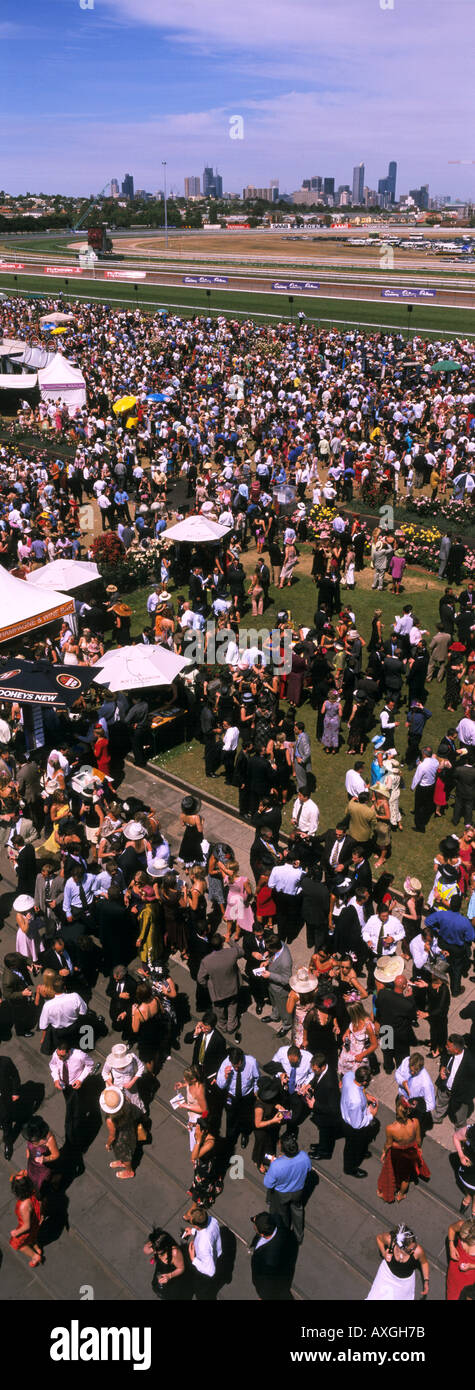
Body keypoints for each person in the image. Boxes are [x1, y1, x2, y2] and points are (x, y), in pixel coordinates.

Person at [377, 1095, 431, 1203]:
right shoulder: (415, 1122)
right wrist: (419, 1148)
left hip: (397, 1153)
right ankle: (400, 1194)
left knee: (392, 1172)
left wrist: (384, 1152)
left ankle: (389, 1193)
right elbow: (418, 1139)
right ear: (409, 1111)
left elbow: (388, 1144)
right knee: (406, 1177)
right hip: (410, 1152)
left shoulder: (390, 1128)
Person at [263, 1132, 312, 1245]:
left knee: (283, 1214)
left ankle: (284, 1235)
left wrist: (273, 1163)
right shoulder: (304, 1156)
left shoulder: (276, 1165)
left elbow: (268, 1184)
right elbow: (308, 1169)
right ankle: (299, 1237)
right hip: (298, 1191)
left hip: (282, 1194)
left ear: (283, 1150)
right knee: (298, 1211)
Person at [197, 934, 245, 1041]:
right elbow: (241, 951)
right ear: (222, 943)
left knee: (219, 1011)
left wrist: (208, 985)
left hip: (217, 993)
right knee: (232, 1008)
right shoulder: (231, 953)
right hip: (233, 989)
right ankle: (231, 1026)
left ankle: (223, 1027)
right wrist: (230, 941)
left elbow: (200, 979)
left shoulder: (206, 961)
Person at [366, 1225, 429, 1301]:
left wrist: (426, 1280)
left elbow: (424, 1263)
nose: (413, 1250)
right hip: (386, 1275)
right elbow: (379, 1238)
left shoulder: (418, 1251)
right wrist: (384, 1253)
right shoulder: (390, 1240)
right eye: (409, 1250)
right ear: (400, 1247)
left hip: (404, 1283)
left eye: (414, 1246)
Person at [216, 1046, 260, 1149]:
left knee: (246, 1117)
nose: (236, 1068)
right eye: (234, 1066)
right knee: (231, 1118)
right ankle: (230, 1139)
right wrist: (225, 1077)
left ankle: (245, 1134)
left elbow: (257, 1078)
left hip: (247, 1096)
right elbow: (220, 1084)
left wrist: (255, 1091)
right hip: (231, 1096)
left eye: (238, 1066)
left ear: (242, 1059)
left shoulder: (251, 1062)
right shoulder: (225, 1064)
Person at [340, 1064, 379, 1178]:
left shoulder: (349, 1076)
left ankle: (361, 1151)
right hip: (352, 1126)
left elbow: (353, 1087)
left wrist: (365, 1095)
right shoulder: (356, 1100)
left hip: (346, 1114)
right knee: (351, 1147)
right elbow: (357, 1124)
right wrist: (371, 1115)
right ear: (365, 1082)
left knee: (359, 1142)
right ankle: (349, 1168)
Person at [249, 1212, 294, 1300]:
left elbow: (266, 1283)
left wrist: (263, 1296)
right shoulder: (278, 1226)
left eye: (255, 1226)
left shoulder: (268, 1259)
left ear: (262, 1234)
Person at [306, 1052, 343, 1160]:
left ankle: (324, 1152)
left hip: (327, 1116)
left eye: (315, 1069)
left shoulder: (330, 1084)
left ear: (322, 1067)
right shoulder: (327, 1069)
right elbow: (318, 1078)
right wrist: (311, 1084)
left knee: (326, 1133)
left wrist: (315, 1105)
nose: (314, 1071)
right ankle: (322, 1145)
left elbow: (333, 1109)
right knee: (323, 1134)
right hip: (323, 1109)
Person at [181, 1203, 222, 1301]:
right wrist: (193, 1231)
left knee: (202, 1294)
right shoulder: (212, 1220)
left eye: (191, 1222)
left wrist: (193, 1259)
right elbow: (207, 1231)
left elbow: (210, 1271)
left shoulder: (203, 1245)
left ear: (196, 1225)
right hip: (217, 1253)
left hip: (204, 1274)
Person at [433, 1035, 475, 1126]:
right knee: (440, 1103)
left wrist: (466, 1097)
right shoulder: (449, 1051)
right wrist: (442, 1067)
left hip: (460, 1095)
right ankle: (437, 1118)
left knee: (460, 1114)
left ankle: (460, 1129)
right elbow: (444, 1056)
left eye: (448, 1046)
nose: (446, 1047)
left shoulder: (470, 1062)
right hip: (445, 1087)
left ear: (456, 1050)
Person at [144, 1227, 190, 1300]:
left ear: (165, 1247)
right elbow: (146, 1250)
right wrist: (150, 1246)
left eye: (157, 1251)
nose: (154, 1252)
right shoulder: (157, 1243)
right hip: (161, 1271)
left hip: (172, 1278)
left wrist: (169, 1276)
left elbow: (181, 1268)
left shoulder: (175, 1253)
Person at [100, 1086, 136, 1180]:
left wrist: (108, 1144)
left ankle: (129, 1171)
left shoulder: (110, 1120)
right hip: (129, 1130)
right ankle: (122, 1162)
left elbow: (112, 1136)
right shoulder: (126, 1102)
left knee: (125, 1156)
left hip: (121, 1140)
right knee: (128, 1150)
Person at [9, 1172, 43, 1267]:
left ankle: (35, 1256)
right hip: (35, 1220)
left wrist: (16, 1232)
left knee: (19, 1245)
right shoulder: (33, 1192)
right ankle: (36, 1247)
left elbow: (26, 1226)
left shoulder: (24, 1206)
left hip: (28, 1227)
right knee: (33, 1236)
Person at [446, 1218, 475, 1301]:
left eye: (466, 1241)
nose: (462, 1242)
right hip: (455, 1268)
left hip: (471, 1277)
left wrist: (471, 1266)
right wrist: (451, 1246)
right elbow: (451, 1228)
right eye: (462, 1239)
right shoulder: (462, 1225)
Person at [0, 1055, 21, 1161]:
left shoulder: (5, 1062)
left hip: (4, 1100)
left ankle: (8, 1144)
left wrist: (15, 1092)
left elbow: (15, 1076)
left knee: (6, 1123)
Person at [453, 1123, 475, 1218]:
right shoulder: (472, 1131)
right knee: (470, 1187)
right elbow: (456, 1137)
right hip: (470, 1170)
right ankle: (469, 1197)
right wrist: (461, 1155)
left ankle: (473, 1207)